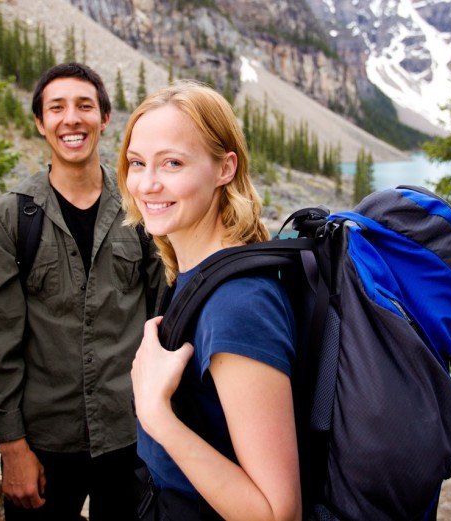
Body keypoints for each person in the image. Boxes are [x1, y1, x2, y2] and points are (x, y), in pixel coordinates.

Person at [0, 62, 162, 521]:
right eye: (56, 108)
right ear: (40, 123)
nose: (71, 119)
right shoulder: (11, 217)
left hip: (130, 434)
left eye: (84, 106)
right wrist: (12, 445)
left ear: (105, 118)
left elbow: (164, 315)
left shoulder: (141, 209)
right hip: (44, 441)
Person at [118, 80, 301, 521]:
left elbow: (277, 513)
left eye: (173, 163)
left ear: (224, 169)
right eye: (137, 163)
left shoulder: (238, 304)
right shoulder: (196, 273)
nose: (147, 184)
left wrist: (156, 414)